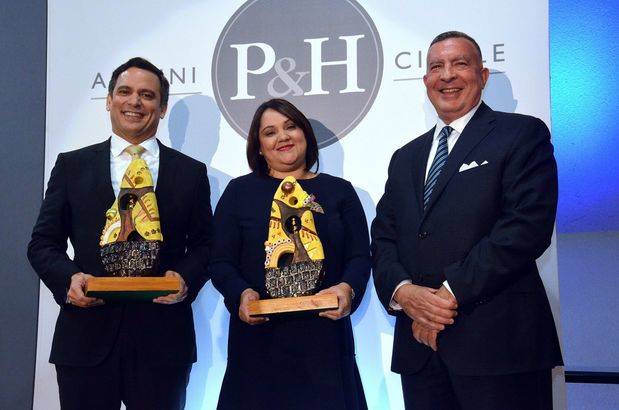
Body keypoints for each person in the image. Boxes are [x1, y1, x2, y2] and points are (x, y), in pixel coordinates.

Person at [371, 31, 563, 410]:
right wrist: (404, 293)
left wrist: (445, 296)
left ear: (483, 75)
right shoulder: (405, 157)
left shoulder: (522, 133)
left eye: (460, 64)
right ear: (425, 80)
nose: (447, 75)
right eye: (436, 67)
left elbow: (525, 229)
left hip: (499, 347)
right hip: (420, 352)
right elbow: (384, 237)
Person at [27, 57, 212, 410]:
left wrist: (185, 278)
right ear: (109, 101)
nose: (135, 102)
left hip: (163, 340)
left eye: (147, 95)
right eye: (125, 92)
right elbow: (42, 244)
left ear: (161, 108)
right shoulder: (71, 165)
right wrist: (69, 280)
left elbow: (206, 245)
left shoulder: (190, 172)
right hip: (85, 337)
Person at [211, 98, 369, 410]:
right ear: (258, 147)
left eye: (290, 127)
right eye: (270, 132)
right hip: (258, 342)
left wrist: (347, 288)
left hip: (324, 338)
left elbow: (360, 257)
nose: (282, 137)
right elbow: (220, 261)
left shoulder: (340, 191)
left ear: (305, 135)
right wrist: (240, 293)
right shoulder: (238, 192)